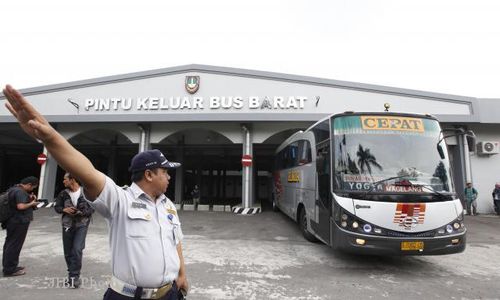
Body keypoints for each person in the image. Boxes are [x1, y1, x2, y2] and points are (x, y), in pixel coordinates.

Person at [3, 85, 188, 299]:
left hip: (170, 294)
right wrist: (50, 138)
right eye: (165, 171)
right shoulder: (120, 200)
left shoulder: (167, 205)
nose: (169, 177)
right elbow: (87, 171)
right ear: (148, 175)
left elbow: (175, 240)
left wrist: (182, 273)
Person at [54, 172, 94, 288]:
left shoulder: (86, 192)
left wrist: (80, 212)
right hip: (67, 225)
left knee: (77, 249)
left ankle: (74, 277)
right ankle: (72, 273)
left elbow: (92, 209)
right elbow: (57, 207)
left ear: (73, 180)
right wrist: (64, 210)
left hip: (82, 225)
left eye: (65, 179)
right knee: (68, 252)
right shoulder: (63, 194)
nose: (63, 181)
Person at [2, 176, 39, 277]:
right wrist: (32, 203)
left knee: (9, 243)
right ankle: (10, 269)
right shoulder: (20, 192)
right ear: (29, 185)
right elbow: (21, 206)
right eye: (33, 187)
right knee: (14, 245)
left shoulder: (13, 189)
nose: (32, 190)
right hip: (19, 222)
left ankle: (9, 266)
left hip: (12, 221)